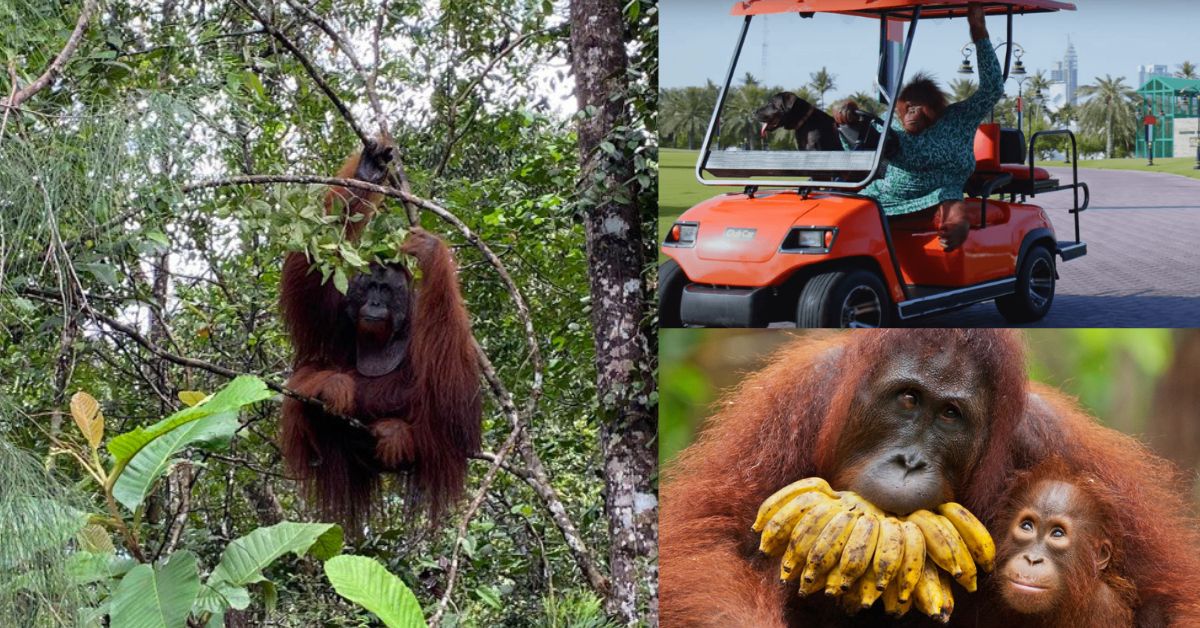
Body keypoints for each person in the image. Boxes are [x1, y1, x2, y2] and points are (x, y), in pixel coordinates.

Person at [860, 2, 1002, 251]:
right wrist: (848, 119)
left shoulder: (957, 118)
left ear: (936, 108)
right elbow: (860, 147)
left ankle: (953, 231)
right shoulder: (890, 122)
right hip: (887, 196)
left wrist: (978, 30)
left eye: (919, 107)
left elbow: (993, 89)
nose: (912, 113)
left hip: (941, 194)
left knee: (953, 209)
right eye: (909, 106)